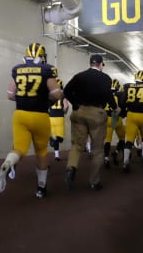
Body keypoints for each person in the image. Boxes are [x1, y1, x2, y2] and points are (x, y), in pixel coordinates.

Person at [0, 42, 62, 199]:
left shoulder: (17, 69)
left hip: (20, 115)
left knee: (19, 148)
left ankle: (8, 163)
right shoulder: (47, 70)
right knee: (41, 152)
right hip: (40, 115)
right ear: (42, 56)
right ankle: (41, 187)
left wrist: (24, 97)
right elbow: (57, 94)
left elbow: (10, 95)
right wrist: (43, 98)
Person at [63, 54, 117, 190]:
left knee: (76, 145)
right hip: (96, 114)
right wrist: (115, 108)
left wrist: (75, 104)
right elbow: (107, 95)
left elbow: (66, 91)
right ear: (100, 64)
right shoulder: (105, 78)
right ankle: (94, 181)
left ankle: (71, 168)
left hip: (79, 112)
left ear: (90, 63)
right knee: (98, 149)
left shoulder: (79, 76)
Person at [119, 70, 143, 172]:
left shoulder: (127, 86)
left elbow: (122, 102)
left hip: (131, 115)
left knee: (129, 139)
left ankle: (125, 161)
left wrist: (126, 110)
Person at [104, 78, 126, 168]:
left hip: (106, 117)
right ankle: (116, 151)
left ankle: (106, 158)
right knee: (122, 138)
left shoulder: (105, 94)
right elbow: (123, 107)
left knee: (107, 140)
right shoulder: (120, 94)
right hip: (115, 117)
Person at [48, 79, 70, 161]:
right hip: (59, 118)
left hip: (51, 118)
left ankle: (56, 155)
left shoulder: (50, 94)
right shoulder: (63, 95)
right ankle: (56, 154)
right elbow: (66, 106)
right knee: (60, 138)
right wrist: (64, 112)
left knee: (55, 138)